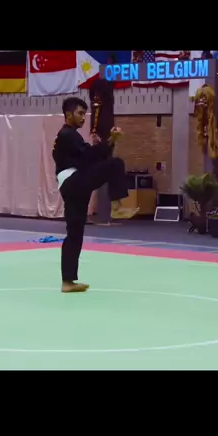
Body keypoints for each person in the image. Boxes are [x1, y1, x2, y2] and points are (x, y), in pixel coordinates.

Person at [53, 96, 138, 293]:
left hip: (71, 185)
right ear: (68, 114)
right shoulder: (68, 134)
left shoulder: (68, 136)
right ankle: (117, 206)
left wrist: (103, 145)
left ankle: (68, 282)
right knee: (115, 164)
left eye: (85, 114)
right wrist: (110, 141)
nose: (83, 117)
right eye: (80, 113)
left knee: (75, 233)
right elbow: (90, 156)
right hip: (74, 181)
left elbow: (89, 159)